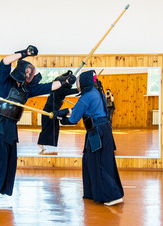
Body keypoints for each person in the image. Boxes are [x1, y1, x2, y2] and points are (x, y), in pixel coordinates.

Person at [0, 45, 76, 201]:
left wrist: (65, 81)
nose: (28, 74)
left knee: (8, 158)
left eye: (30, 72)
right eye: (26, 70)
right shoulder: (5, 81)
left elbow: (48, 87)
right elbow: (4, 62)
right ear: (20, 69)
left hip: (10, 127)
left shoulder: (28, 90)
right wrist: (24, 53)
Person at [52, 70, 124, 206]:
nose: (78, 87)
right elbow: (82, 110)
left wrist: (60, 117)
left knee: (99, 163)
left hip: (97, 132)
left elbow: (74, 119)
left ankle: (112, 196)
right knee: (93, 161)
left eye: (79, 84)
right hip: (105, 130)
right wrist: (66, 111)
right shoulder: (98, 93)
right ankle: (93, 193)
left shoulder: (85, 97)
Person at [37, 71, 79, 155]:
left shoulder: (60, 89)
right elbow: (75, 91)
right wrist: (85, 88)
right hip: (49, 111)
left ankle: (46, 144)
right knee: (47, 128)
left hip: (52, 110)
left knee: (54, 127)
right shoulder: (61, 89)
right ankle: (41, 143)